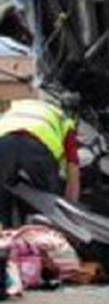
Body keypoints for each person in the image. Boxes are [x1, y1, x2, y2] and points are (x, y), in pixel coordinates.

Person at [0, 97, 80, 227]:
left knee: (2, 203)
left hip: (3, 145)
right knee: (47, 205)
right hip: (36, 150)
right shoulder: (64, 120)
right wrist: (69, 214)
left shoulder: (18, 108)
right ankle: (43, 235)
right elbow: (73, 171)